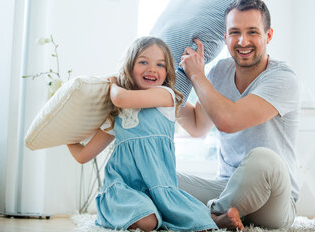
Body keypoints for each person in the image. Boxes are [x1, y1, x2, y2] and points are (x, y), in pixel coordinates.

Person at [67, 37, 218, 231]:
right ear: (129, 67)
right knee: (148, 221)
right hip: (124, 189)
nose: (152, 69)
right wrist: (64, 134)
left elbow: (121, 98)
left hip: (160, 187)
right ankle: (121, 212)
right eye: (143, 62)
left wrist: (113, 85)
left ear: (167, 72)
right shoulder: (117, 115)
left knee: (200, 221)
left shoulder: (166, 96)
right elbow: (83, 155)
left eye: (160, 64)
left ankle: (219, 219)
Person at [177, 0, 301, 230]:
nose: (243, 41)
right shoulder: (218, 73)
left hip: (273, 200)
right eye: (235, 32)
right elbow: (196, 126)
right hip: (227, 188)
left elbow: (228, 120)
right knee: (160, 178)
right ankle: (222, 214)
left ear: (268, 35)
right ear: (225, 37)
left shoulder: (283, 78)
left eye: (253, 32)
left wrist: (197, 76)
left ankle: (207, 216)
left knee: (262, 159)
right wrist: (164, 92)